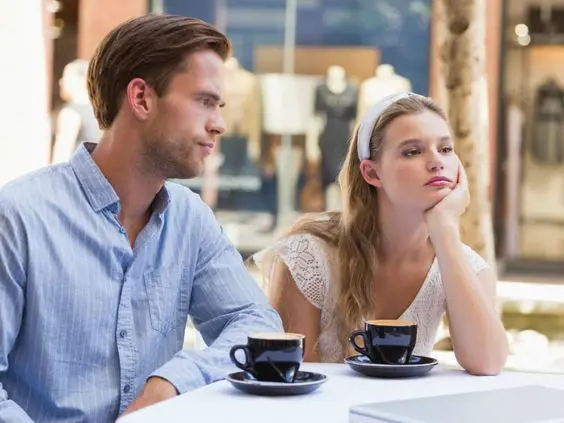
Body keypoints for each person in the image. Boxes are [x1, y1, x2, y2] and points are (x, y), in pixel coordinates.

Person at [0, 14, 282, 422]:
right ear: (142, 99)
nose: (219, 124)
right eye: (204, 101)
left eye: (219, 106)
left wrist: (174, 380)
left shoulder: (190, 220)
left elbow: (257, 324)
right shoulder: (19, 215)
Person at [253, 92, 509, 375]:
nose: (436, 161)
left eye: (446, 149)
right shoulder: (309, 256)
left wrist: (445, 228)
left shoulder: (465, 265)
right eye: (413, 151)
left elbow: (487, 362)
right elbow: (288, 377)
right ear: (372, 173)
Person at [51, 59, 102, 163]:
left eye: (66, 77)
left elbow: (61, 154)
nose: (61, 82)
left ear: (81, 80)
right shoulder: (100, 112)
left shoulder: (70, 113)